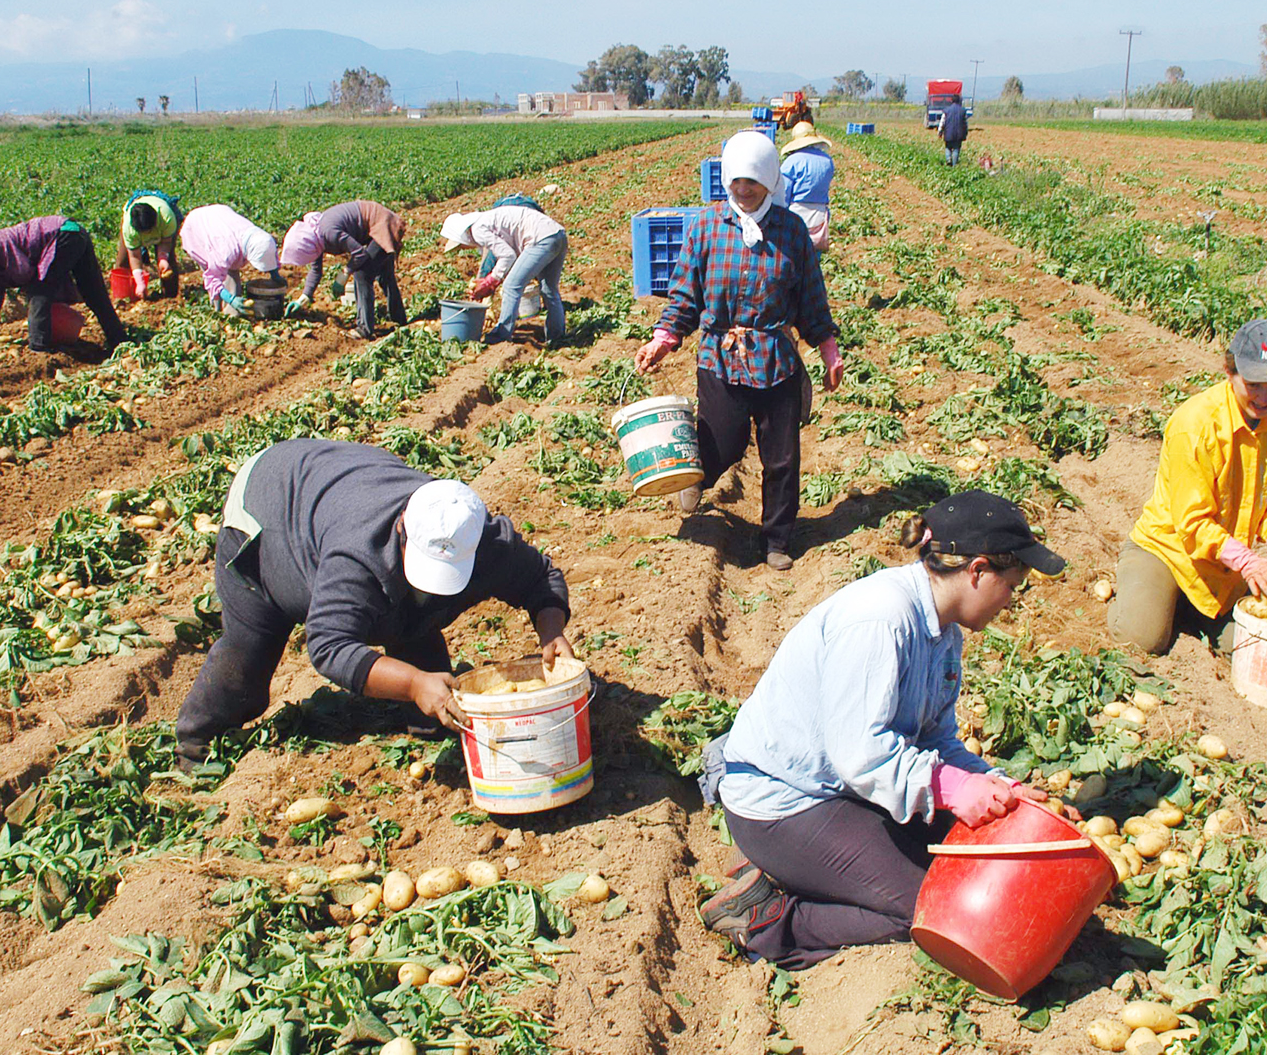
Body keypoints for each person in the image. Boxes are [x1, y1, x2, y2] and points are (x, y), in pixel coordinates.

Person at [697, 491, 1067, 967]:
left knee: (955, 863)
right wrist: (951, 788)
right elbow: (861, 754)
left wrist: (999, 787)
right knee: (937, 911)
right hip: (783, 801)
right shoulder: (881, 621)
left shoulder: (943, 631)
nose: (1011, 601)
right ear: (976, 571)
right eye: (1012, 584)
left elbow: (936, 739)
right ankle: (768, 921)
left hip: (836, 789)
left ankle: (798, 870)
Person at [174, 438, 575, 767]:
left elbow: (541, 578)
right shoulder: (356, 556)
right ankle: (196, 743)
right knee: (253, 646)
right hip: (267, 507)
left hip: (336, 483)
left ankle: (424, 716)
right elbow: (330, 646)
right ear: (402, 529)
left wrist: (551, 632)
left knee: (416, 617)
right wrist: (416, 682)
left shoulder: (486, 540)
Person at [634, 130, 845, 572]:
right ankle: (696, 479)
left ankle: (777, 540)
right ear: (726, 180)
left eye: (753, 182)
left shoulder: (791, 231)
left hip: (775, 359)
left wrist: (827, 348)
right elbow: (684, 296)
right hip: (720, 357)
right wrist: (663, 339)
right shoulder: (707, 226)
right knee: (722, 443)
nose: (744, 190)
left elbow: (811, 297)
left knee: (781, 457)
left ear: (770, 181)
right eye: (736, 182)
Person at [1108, 319, 1267, 656]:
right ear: (1230, 370)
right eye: (1254, 383)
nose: (1266, 397)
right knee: (1143, 640)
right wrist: (1250, 562)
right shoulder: (1195, 424)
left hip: (1222, 565)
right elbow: (1192, 525)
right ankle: (1151, 591)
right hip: (1168, 551)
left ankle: (1177, 607)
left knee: (1253, 647)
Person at [0, 217, 129, 354]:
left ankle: (38, 348)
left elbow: (25, 271)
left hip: (64, 235)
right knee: (92, 292)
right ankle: (120, 341)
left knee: (38, 291)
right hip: (74, 231)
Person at [440, 201, 569, 345]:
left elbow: (508, 256)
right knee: (549, 288)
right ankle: (557, 337)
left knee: (511, 286)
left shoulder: (478, 229)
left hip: (540, 239)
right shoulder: (487, 220)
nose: (464, 248)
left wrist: (490, 282)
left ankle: (502, 334)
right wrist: (492, 280)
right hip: (557, 235)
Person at [281, 201, 407, 340]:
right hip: (376, 225)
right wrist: (303, 298)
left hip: (383, 224)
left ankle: (364, 329)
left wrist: (344, 274)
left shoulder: (328, 233)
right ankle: (400, 321)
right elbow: (316, 271)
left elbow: (360, 253)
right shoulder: (315, 238)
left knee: (362, 273)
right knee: (383, 274)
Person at [179, 204, 284, 317]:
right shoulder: (225, 252)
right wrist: (231, 299)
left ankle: (231, 310)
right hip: (196, 226)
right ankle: (219, 312)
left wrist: (275, 275)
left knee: (231, 272)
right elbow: (213, 278)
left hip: (220, 215)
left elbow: (268, 255)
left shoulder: (263, 238)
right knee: (220, 272)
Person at [114, 189, 183, 301]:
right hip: (135, 216)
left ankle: (170, 297)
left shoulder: (167, 218)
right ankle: (126, 297)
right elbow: (134, 256)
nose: (149, 235)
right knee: (123, 262)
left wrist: (162, 258)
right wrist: (140, 282)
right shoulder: (128, 228)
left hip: (163, 210)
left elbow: (166, 242)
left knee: (168, 262)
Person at [779, 122, 835, 251]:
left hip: (797, 212)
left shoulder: (792, 161)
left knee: (794, 250)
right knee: (815, 250)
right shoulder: (827, 160)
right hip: (820, 212)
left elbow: (784, 193)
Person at [939, 97, 969, 166]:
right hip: (959, 134)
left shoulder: (947, 110)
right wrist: (966, 132)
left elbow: (942, 122)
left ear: (951, 101)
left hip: (948, 133)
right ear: (959, 101)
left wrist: (940, 131)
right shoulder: (963, 111)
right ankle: (954, 165)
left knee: (948, 147)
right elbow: (965, 123)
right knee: (956, 148)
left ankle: (948, 159)